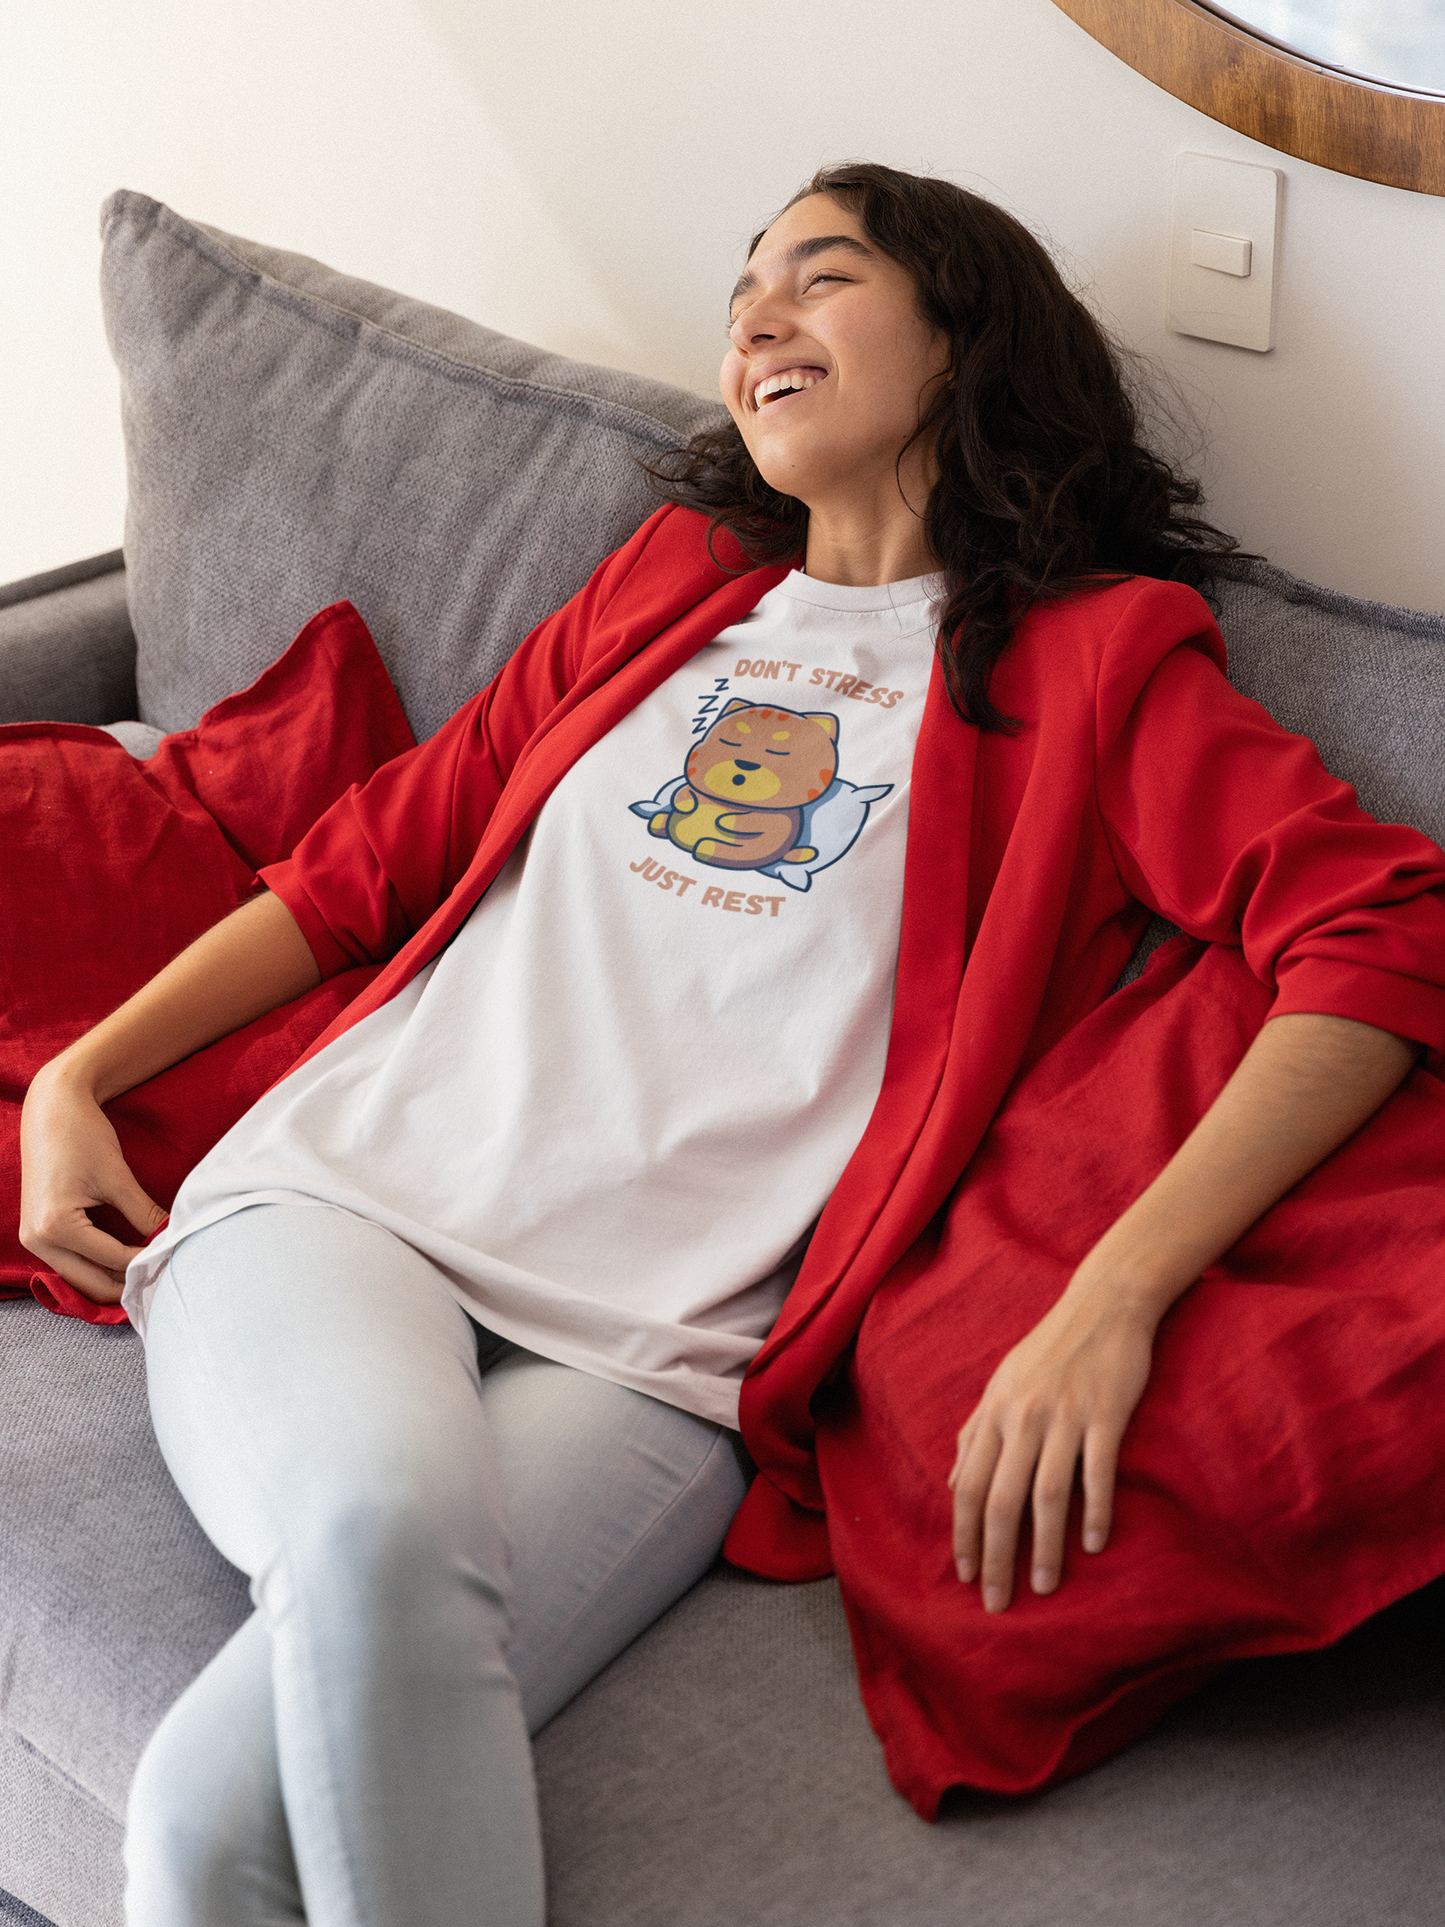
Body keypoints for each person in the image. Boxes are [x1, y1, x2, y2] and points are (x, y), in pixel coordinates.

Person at [18, 162, 1443, 1922]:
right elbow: (366, 863)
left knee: (201, 1826)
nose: (756, 315)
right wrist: (81, 1074)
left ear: (963, 335)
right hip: (354, 1203)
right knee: (379, 1527)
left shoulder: (1095, 663)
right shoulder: (674, 584)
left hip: (669, 1362)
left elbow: (1377, 937)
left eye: (819, 277)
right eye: (742, 291)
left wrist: (1115, 1294)